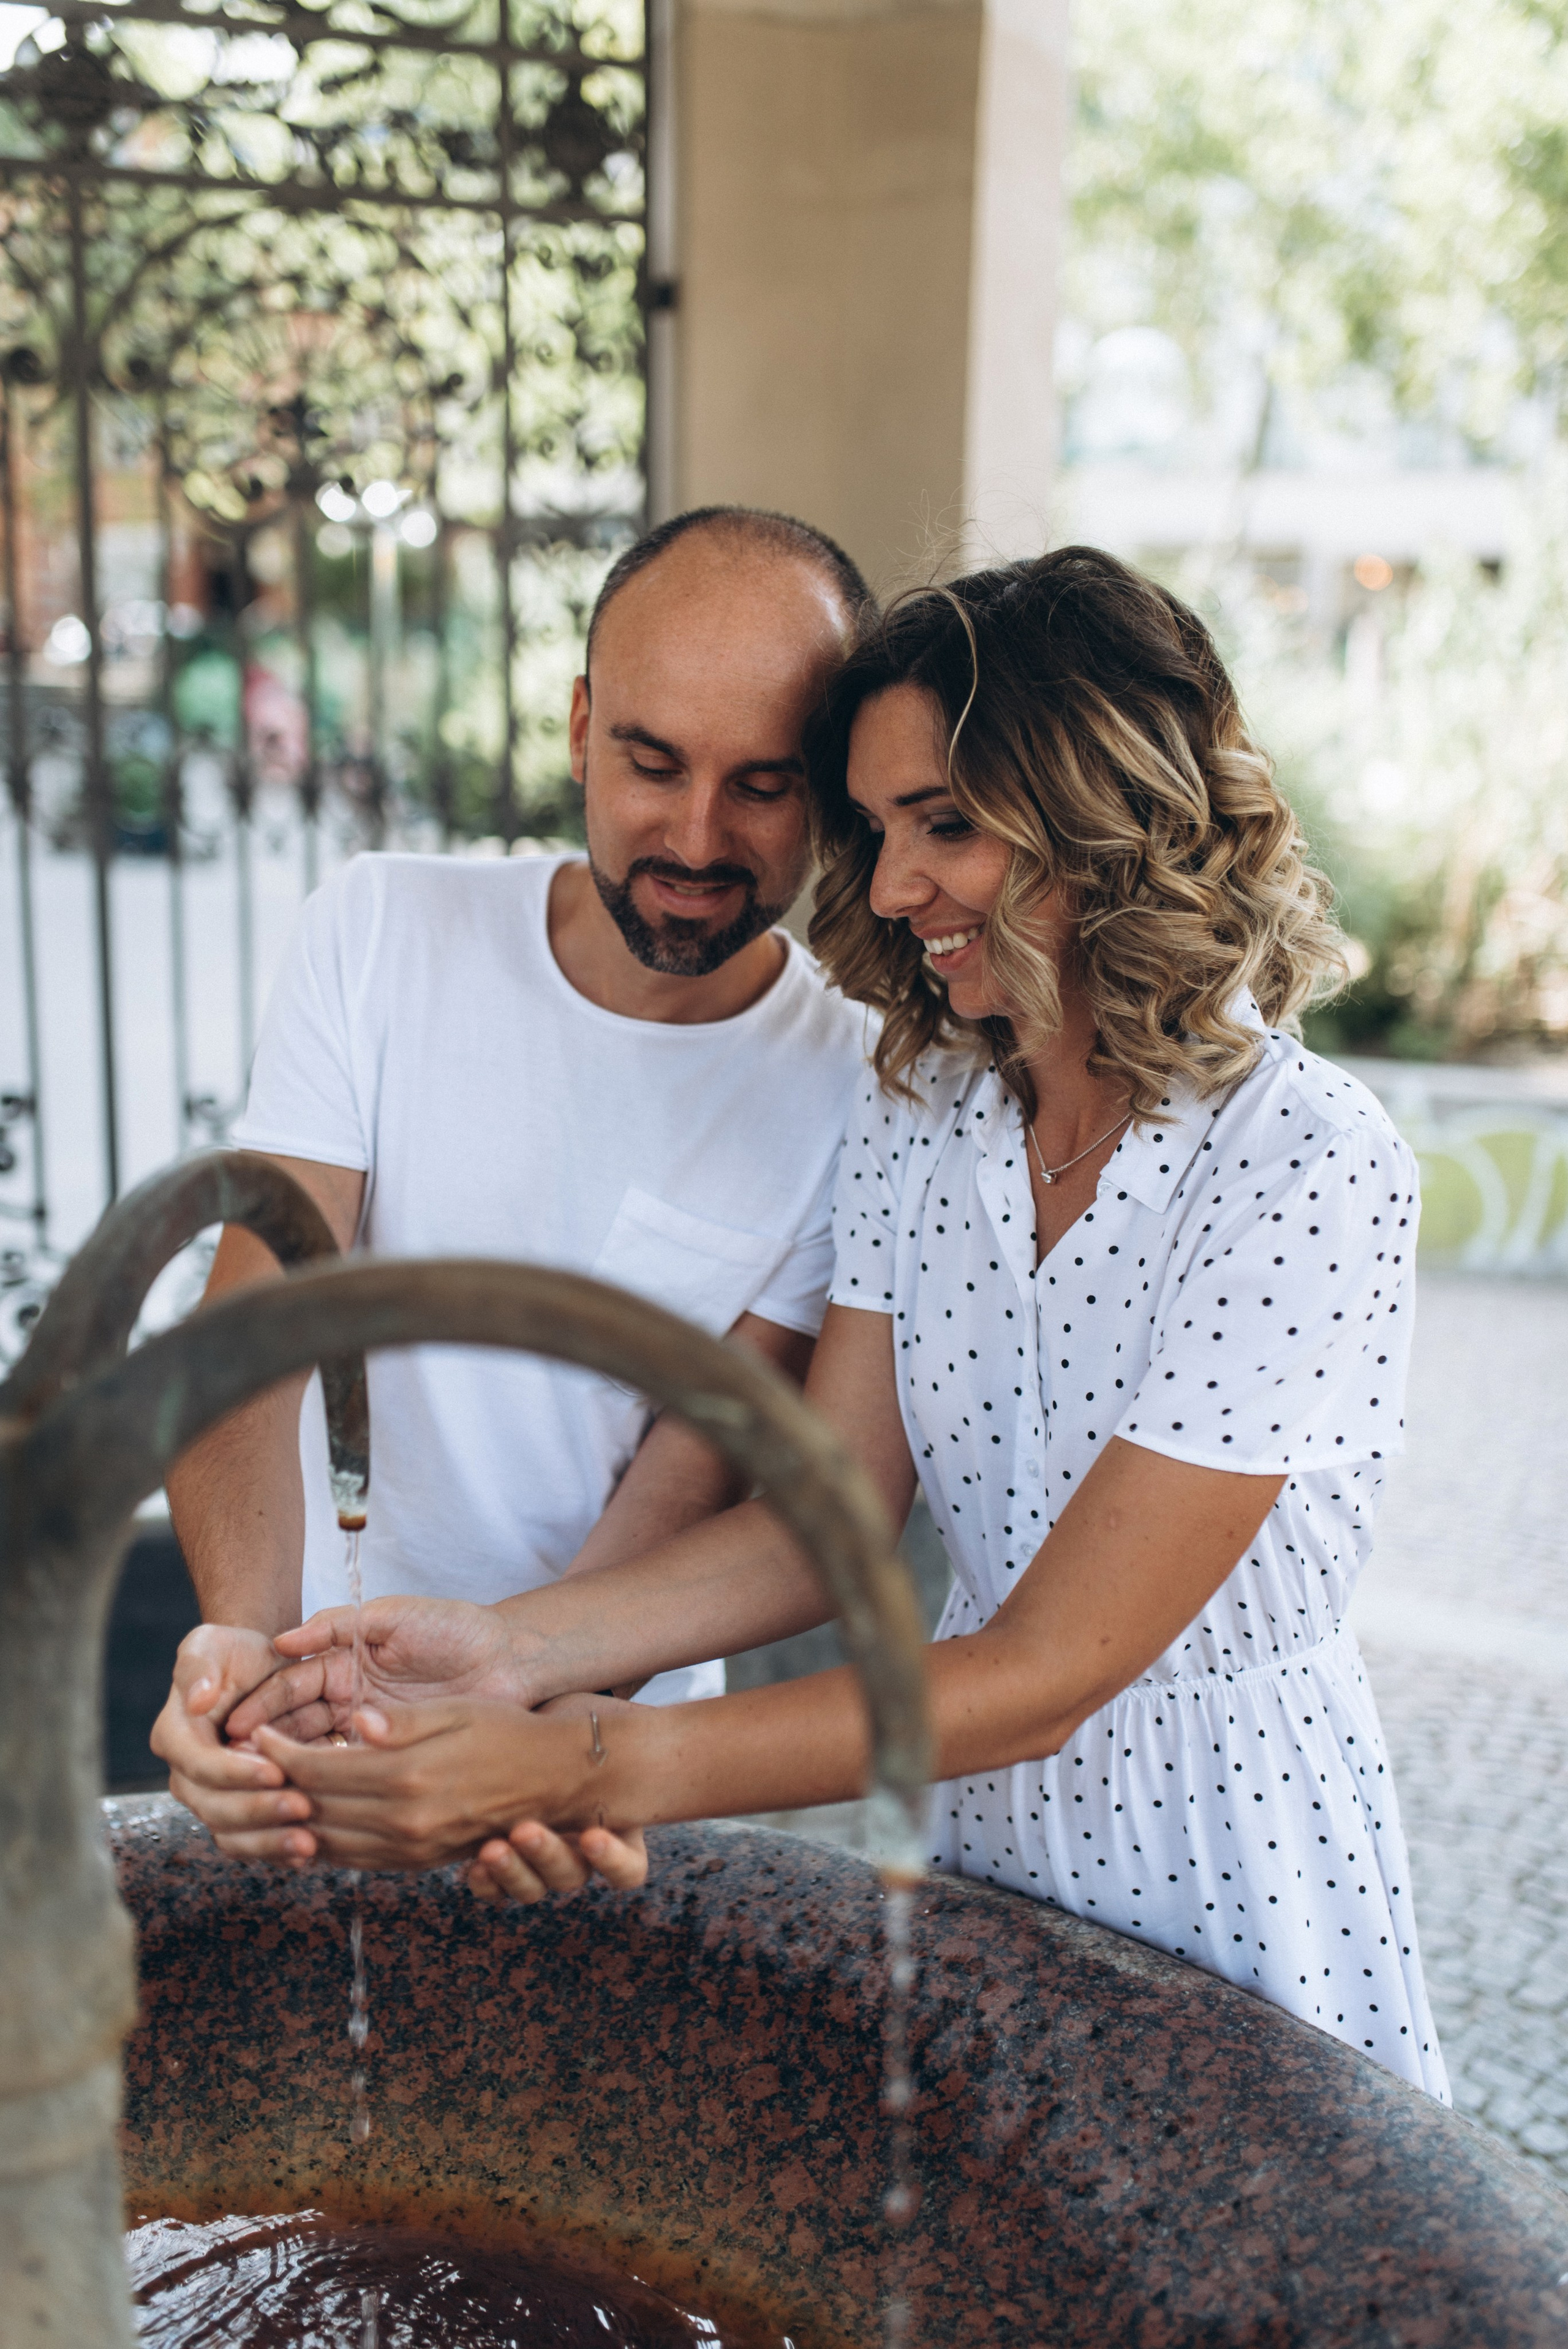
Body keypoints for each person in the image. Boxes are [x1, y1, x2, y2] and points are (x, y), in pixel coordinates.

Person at [232, 548, 1447, 2098]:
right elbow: (822, 1522)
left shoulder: (1303, 1166)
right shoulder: (925, 1103)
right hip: (977, 1828)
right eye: (875, 830)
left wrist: (598, 1758)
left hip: (1230, 1841)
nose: (884, 888)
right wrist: (500, 1654)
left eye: (944, 824)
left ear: (1101, 807)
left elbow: (1051, 1669)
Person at [150, 504, 876, 1888]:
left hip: (596, 1774)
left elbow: (687, 1478)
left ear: (830, 789)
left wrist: (519, 1736)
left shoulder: (854, 1086)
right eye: (649, 762)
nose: (696, 834)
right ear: (577, 725)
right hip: (312, 1711)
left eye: (763, 786)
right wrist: (242, 1638)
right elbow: (250, 1327)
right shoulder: (378, 931)